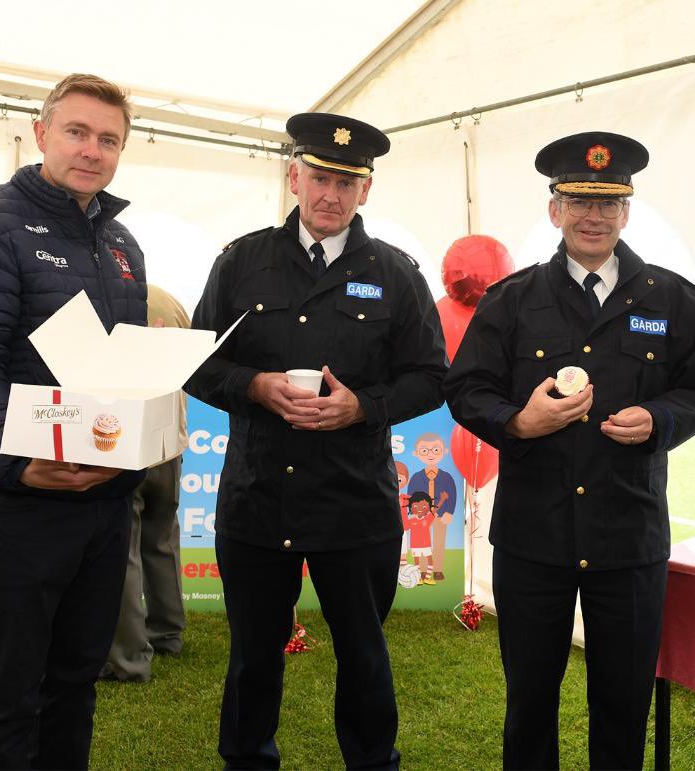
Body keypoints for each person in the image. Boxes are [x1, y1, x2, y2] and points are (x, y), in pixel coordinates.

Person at [444, 131, 695, 769]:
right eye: (578, 201)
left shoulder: (672, 299)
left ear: (627, 210)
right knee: (530, 704)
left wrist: (656, 418)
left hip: (627, 537)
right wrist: (519, 422)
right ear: (555, 209)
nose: (594, 216)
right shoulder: (511, 300)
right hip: (532, 541)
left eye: (609, 202)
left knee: (623, 706)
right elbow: (466, 388)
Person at [185, 112, 447, 769]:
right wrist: (254, 386)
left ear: (367, 190)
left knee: (363, 652)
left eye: (347, 182)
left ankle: (371, 760)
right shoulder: (241, 261)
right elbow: (196, 362)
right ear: (293, 176)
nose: (331, 194)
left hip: (354, 504)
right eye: (320, 177)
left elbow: (431, 378)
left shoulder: (396, 272)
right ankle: (247, 759)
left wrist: (363, 406)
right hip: (256, 498)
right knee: (253, 653)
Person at [0, 73, 146, 768]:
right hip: (14, 499)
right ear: (41, 132)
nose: (93, 150)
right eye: (78, 132)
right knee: (7, 690)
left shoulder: (122, 246)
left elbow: (124, 371)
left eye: (109, 139)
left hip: (103, 496)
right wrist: (18, 459)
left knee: (75, 680)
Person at [101, 284, 189, 681]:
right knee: (162, 537)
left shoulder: (102, 301)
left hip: (123, 442)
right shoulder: (169, 300)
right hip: (169, 440)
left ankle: (129, 657)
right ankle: (168, 632)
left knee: (125, 551)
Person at [406, 432, 456, 580]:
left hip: (441, 515)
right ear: (416, 453)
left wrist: (449, 512)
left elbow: (452, 494)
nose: (430, 454)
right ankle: (422, 570)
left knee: (439, 541)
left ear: (444, 451)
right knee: (421, 543)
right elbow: (410, 496)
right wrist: (412, 513)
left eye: (435, 450)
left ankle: (438, 570)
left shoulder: (447, 477)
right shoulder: (416, 478)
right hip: (421, 516)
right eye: (424, 451)